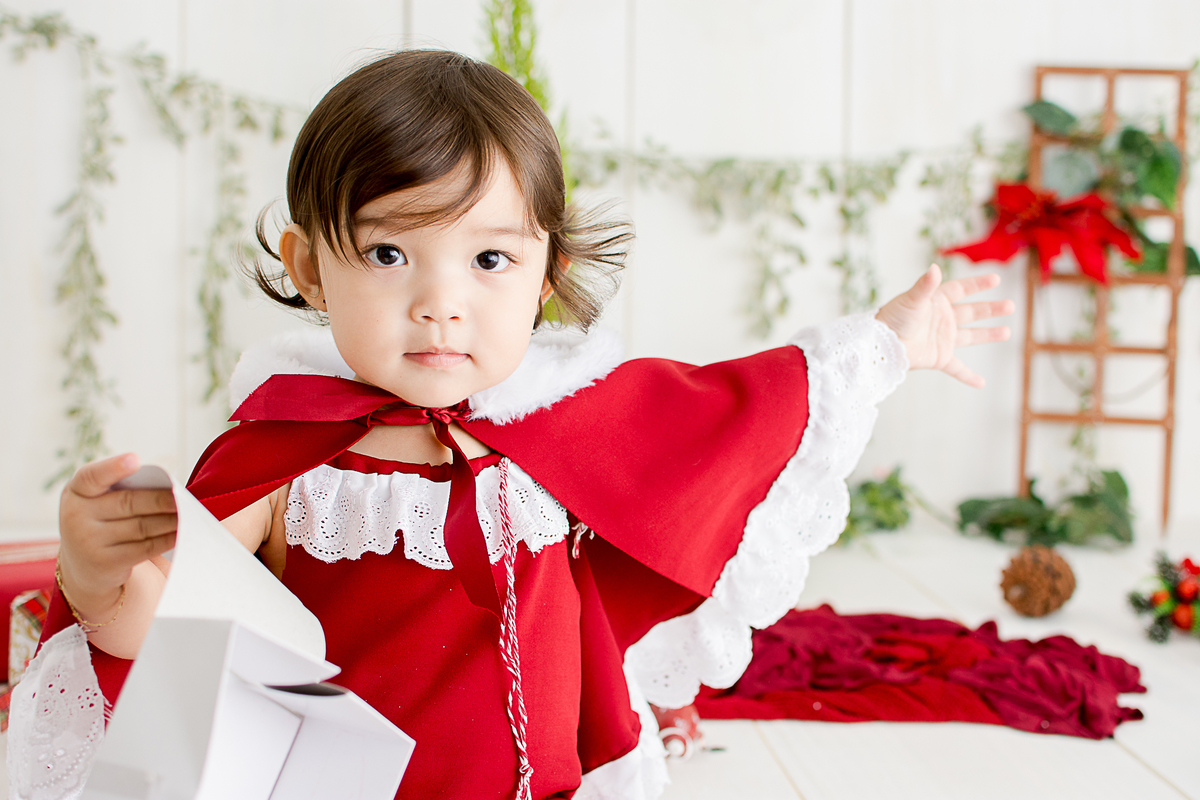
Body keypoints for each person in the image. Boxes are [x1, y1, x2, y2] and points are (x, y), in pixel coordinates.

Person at [12, 50, 1012, 800]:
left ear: (547, 276)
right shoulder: (284, 451)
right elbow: (184, 642)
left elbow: (737, 413)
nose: (441, 301)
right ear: (310, 265)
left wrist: (887, 342)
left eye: (489, 260)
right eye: (390, 252)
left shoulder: (561, 420)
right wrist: (102, 574)